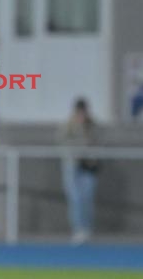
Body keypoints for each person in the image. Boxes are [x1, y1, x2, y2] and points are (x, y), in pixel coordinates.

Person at [59, 97, 100, 245]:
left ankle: (87, 228)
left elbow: (98, 142)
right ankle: (78, 229)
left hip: (88, 166)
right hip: (73, 165)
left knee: (87, 198)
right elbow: (62, 142)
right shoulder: (69, 125)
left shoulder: (93, 125)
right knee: (75, 198)